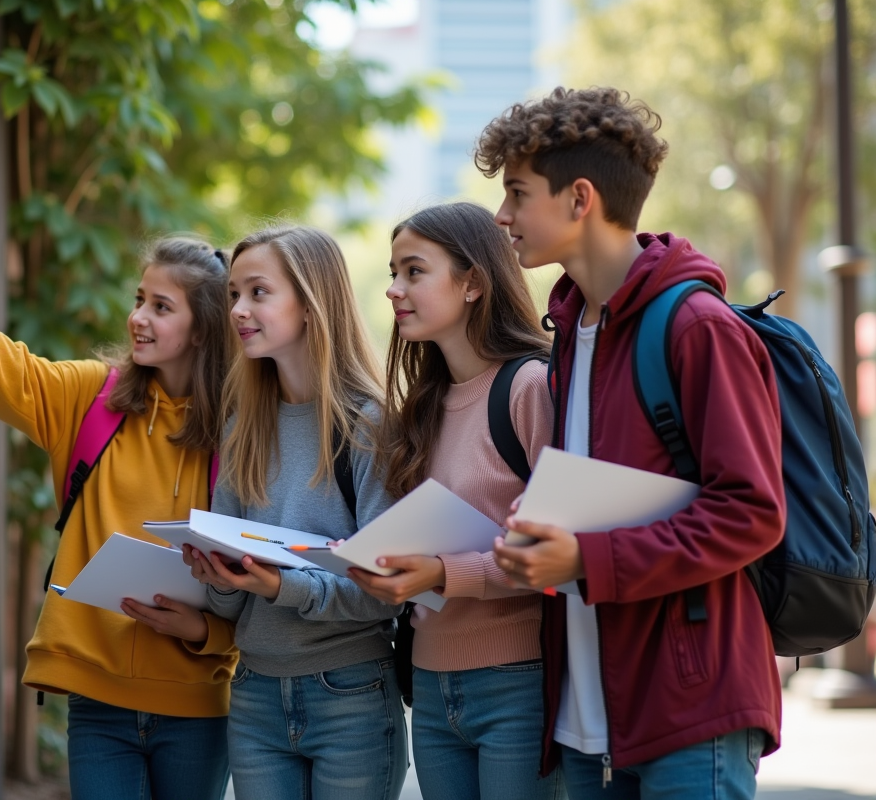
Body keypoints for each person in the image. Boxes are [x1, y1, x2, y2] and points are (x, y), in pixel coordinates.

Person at [483, 87, 785, 799]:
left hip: (689, 711)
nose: (502, 216)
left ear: (579, 198)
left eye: (517, 194)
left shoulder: (698, 327)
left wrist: (584, 557)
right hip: (587, 724)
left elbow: (752, 513)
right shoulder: (570, 333)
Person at [0, 237, 237, 800]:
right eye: (139, 299)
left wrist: (207, 634)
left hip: (198, 710)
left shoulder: (241, 435)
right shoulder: (93, 399)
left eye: (161, 307)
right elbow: (12, 371)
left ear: (203, 329)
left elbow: (260, 568)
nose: (138, 317)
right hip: (96, 702)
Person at [349, 202, 564, 800]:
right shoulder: (421, 407)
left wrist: (443, 572)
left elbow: (562, 554)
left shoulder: (529, 388)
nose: (394, 289)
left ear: (473, 283)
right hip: (429, 683)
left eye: (414, 271)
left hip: (519, 681)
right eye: (393, 272)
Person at [185, 225, 408, 800]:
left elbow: (388, 590)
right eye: (234, 294)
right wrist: (222, 578)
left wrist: (282, 586)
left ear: (311, 303)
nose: (238, 309)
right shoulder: (241, 428)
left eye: (258, 292)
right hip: (255, 694)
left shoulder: (369, 425)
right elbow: (228, 603)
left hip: (350, 694)